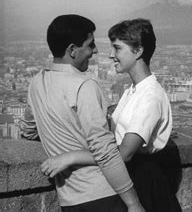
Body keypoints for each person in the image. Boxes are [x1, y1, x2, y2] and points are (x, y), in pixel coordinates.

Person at [41, 18, 181, 212]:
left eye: (117, 48)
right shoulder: (134, 90)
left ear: (138, 51)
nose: (111, 55)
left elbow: (124, 153)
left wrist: (71, 157)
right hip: (131, 177)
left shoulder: (150, 96)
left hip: (144, 181)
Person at [24, 14, 144, 211]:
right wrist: (133, 204)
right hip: (104, 195)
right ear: (72, 50)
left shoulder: (36, 83)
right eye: (90, 45)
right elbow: (106, 152)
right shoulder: (84, 85)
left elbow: (28, 132)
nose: (95, 50)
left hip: (69, 201)